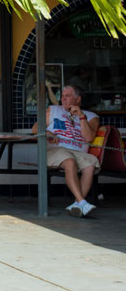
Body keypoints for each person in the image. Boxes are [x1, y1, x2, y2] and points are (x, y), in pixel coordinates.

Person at [32, 85, 100, 217]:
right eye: (62, 96)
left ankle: (77, 205)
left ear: (78, 99)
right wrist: (48, 132)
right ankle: (82, 202)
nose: (63, 99)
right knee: (70, 161)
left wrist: (81, 116)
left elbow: (89, 138)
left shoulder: (91, 117)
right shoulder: (53, 110)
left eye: (67, 96)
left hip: (79, 152)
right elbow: (35, 128)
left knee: (90, 164)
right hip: (56, 150)